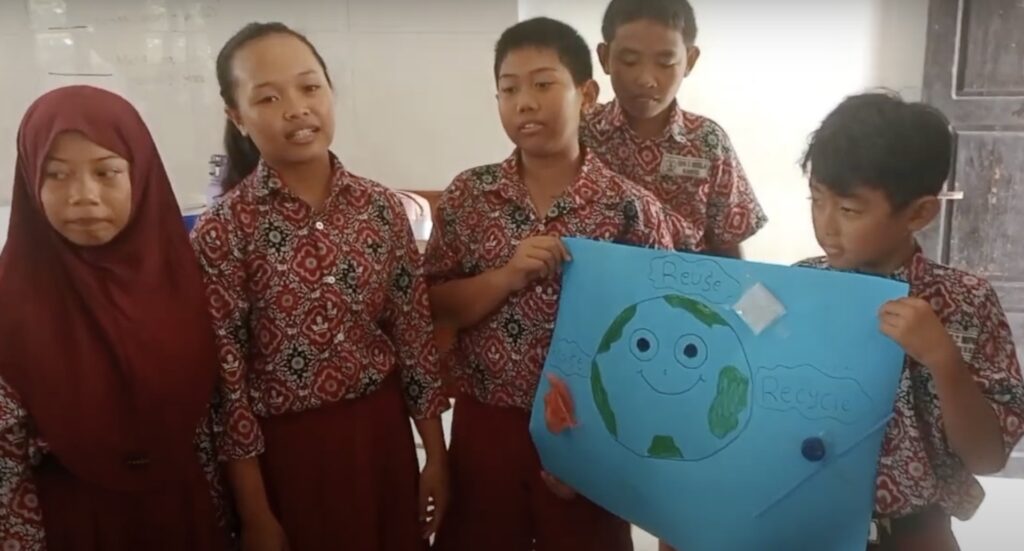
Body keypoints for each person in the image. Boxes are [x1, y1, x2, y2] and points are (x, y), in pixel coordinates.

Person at [425, 17, 698, 551]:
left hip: (592, 428)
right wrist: (506, 276)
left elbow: (664, 331)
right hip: (488, 427)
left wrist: (600, 451)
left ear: (587, 94)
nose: (524, 102)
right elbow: (437, 307)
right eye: (509, 88)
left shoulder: (630, 208)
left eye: (543, 83)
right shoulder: (468, 196)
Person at [191, 22, 449, 551]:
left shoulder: (379, 209)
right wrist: (256, 513)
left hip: (381, 440)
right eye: (268, 96)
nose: (296, 108)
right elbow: (227, 384)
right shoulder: (224, 230)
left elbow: (414, 340)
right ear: (236, 116)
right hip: (286, 459)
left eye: (310, 87)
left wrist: (436, 458)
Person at [0, 85, 230, 550]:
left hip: (186, 515)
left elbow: (219, 426)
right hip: (65, 525)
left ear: (141, 177)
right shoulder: (10, 304)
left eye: (107, 172)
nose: (83, 196)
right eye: (57, 175)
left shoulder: (193, 284)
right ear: (29, 183)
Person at [798, 92, 1024, 550]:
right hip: (800, 524)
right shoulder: (798, 288)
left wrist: (943, 360)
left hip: (915, 534)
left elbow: (986, 456)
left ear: (918, 212)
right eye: (816, 199)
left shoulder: (966, 302)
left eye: (849, 210)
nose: (826, 225)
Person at [582, 0, 766, 256]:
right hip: (597, 284)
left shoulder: (707, 141)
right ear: (604, 58)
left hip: (682, 290)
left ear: (689, 61)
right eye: (630, 60)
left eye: (665, 63)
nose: (646, 79)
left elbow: (728, 246)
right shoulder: (580, 133)